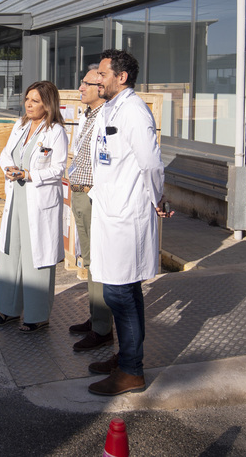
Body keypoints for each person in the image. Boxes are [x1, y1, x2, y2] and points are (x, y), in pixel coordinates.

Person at [87, 49, 172, 396]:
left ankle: (131, 370)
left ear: (121, 77)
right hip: (110, 209)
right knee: (124, 289)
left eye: (103, 74)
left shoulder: (135, 111)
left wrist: (158, 198)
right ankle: (126, 356)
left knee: (119, 292)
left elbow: (151, 163)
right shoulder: (110, 107)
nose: (97, 80)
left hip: (126, 214)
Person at [0, 81, 68, 333]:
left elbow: (58, 168)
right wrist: (9, 169)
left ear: (48, 103)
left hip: (38, 197)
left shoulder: (55, 131)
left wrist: (29, 173)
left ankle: (37, 315)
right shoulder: (20, 125)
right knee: (11, 250)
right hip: (17, 195)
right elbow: (5, 154)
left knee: (37, 257)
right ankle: (9, 309)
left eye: (35, 101)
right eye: (27, 99)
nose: (29, 105)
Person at [67, 66, 113, 351]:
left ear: (100, 87)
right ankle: (96, 316)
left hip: (93, 197)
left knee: (98, 262)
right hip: (80, 194)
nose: (80, 89)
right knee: (88, 262)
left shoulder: (106, 118)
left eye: (86, 84)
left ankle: (103, 329)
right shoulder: (89, 115)